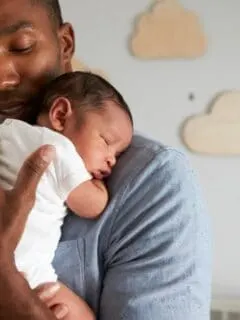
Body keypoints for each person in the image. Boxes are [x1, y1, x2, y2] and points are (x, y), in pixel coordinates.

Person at [0, 0, 211, 319]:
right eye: (107, 144)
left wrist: (13, 296)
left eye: (22, 46)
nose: (2, 78)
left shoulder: (152, 182)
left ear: (65, 45)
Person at [0, 71, 133, 319]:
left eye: (117, 153)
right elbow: (92, 205)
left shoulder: (9, 131)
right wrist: (97, 184)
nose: (111, 160)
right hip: (30, 274)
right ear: (60, 115)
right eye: (106, 141)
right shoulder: (59, 150)